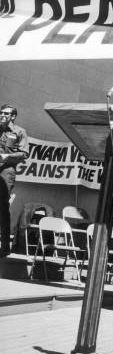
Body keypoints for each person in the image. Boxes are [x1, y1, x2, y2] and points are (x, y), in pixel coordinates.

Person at [0, 104, 29, 257]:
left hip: (7, 171)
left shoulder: (19, 132)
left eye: (6, 113)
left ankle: (4, 247)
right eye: (1, 113)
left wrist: (8, 156)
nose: (2, 115)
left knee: (2, 207)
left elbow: (24, 154)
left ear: (13, 116)